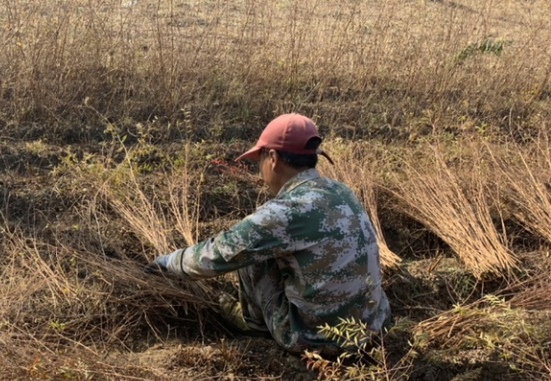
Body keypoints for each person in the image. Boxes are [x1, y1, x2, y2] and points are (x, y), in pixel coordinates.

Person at [146, 113, 391, 355]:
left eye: (259, 161)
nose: (259, 170)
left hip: (319, 339)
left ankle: (255, 327)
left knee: (251, 253)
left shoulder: (286, 211)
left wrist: (167, 262)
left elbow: (218, 255)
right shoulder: (341, 190)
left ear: (272, 158)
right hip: (373, 325)